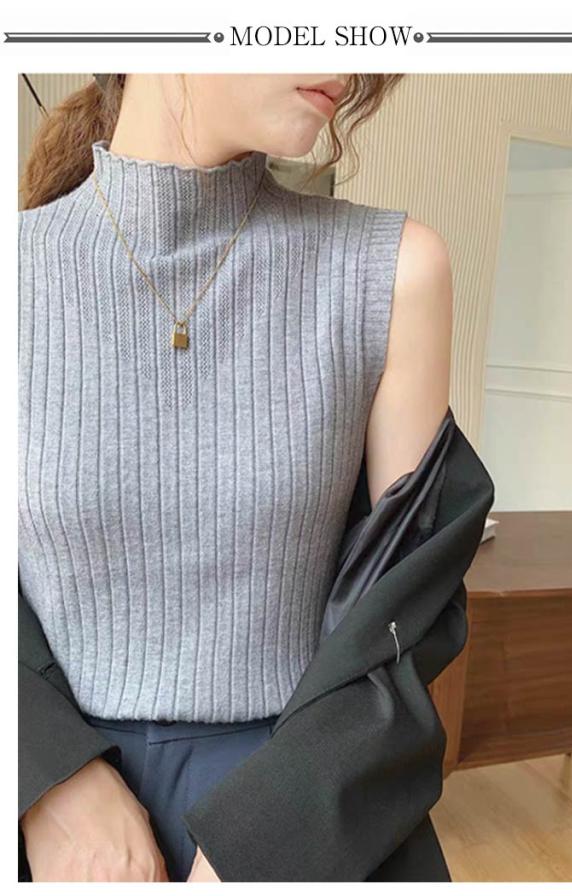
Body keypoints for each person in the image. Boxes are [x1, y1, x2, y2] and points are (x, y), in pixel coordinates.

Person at [18, 73, 454, 882]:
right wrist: (46, 782)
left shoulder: (393, 272)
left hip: (309, 808)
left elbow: (403, 612)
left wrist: (268, 839)